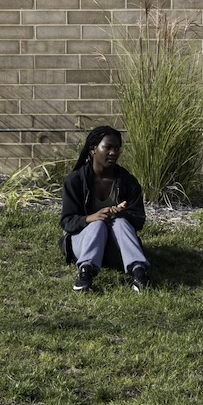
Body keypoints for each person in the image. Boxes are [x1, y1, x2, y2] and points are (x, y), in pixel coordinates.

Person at [60, 125, 152, 292]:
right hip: (84, 244)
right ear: (93, 149)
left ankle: (140, 274)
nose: (113, 152)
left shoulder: (127, 181)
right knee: (98, 224)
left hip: (116, 247)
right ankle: (85, 273)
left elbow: (139, 220)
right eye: (107, 147)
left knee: (121, 223)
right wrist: (90, 218)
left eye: (117, 148)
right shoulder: (75, 180)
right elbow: (67, 222)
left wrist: (125, 215)